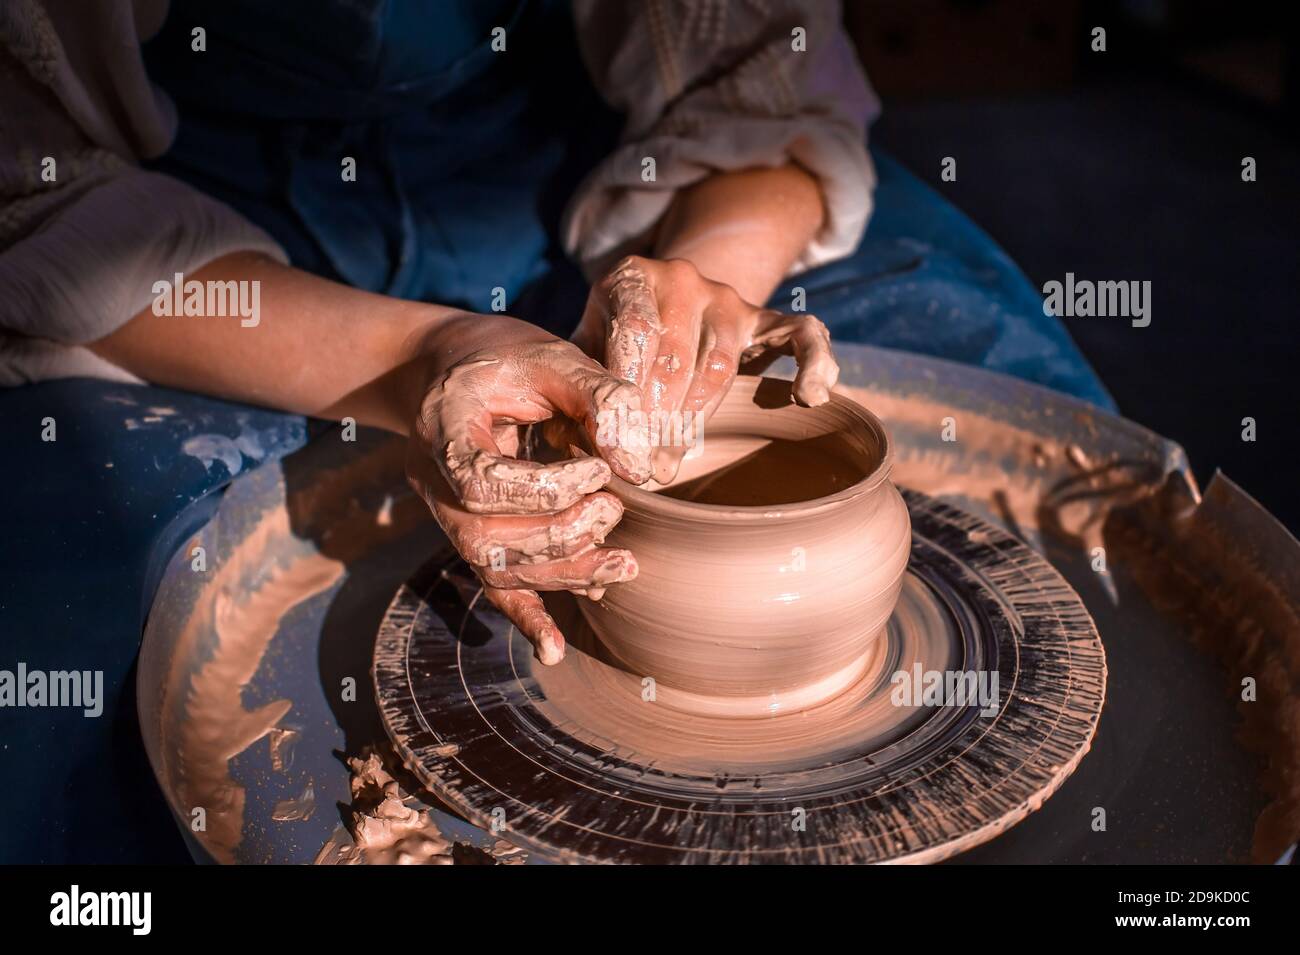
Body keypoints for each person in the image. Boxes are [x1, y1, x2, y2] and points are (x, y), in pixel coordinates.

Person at [1, 0, 1112, 668]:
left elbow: (756, 78)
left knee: (1021, 411)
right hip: (209, 258)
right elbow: (37, 208)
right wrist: (421, 359)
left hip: (613, 177)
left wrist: (699, 306)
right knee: (74, 617)